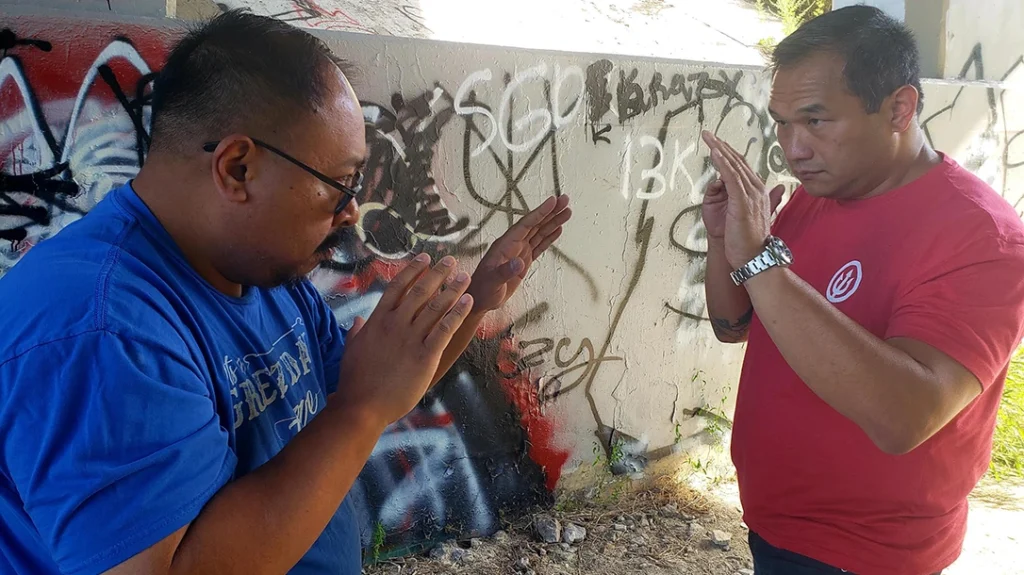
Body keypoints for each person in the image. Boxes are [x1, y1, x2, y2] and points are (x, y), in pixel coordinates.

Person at [0, 11, 571, 575]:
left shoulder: (261, 271)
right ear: (239, 168)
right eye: (341, 184)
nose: (352, 211)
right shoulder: (100, 330)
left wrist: (479, 299)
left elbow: (376, 386)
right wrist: (359, 410)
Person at [700, 6, 1024, 575]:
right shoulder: (817, 194)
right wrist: (725, 244)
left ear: (899, 107)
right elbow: (735, 327)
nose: (792, 147)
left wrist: (760, 259)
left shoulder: (982, 238)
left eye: (816, 121)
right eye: (781, 122)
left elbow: (905, 417)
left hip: (867, 555)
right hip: (773, 526)